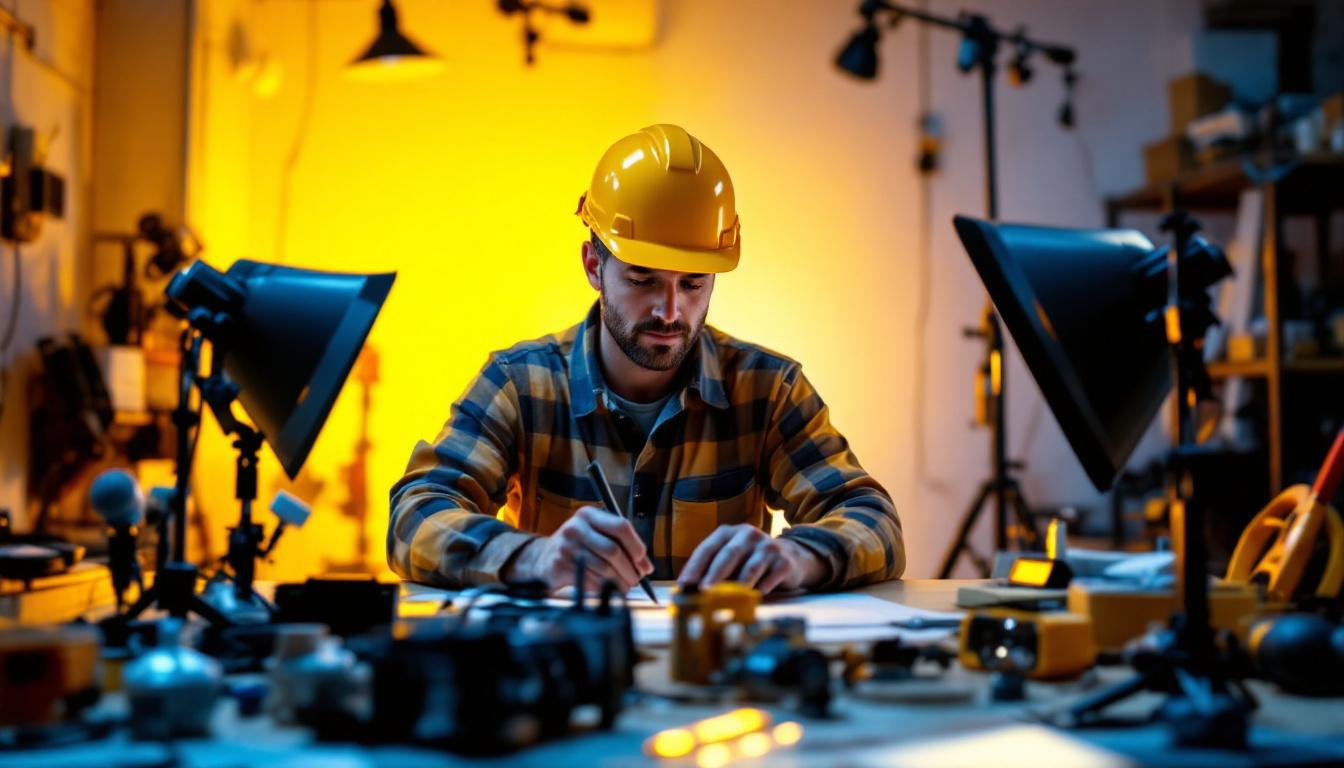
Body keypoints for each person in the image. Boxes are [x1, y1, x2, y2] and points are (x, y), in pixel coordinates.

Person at [388, 124, 904, 595]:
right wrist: (535, 558)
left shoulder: (768, 391)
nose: (670, 310)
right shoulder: (520, 385)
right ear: (594, 265)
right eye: (643, 279)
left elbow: (874, 521)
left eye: (694, 284)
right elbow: (414, 516)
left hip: (714, 676)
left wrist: (796, 558)